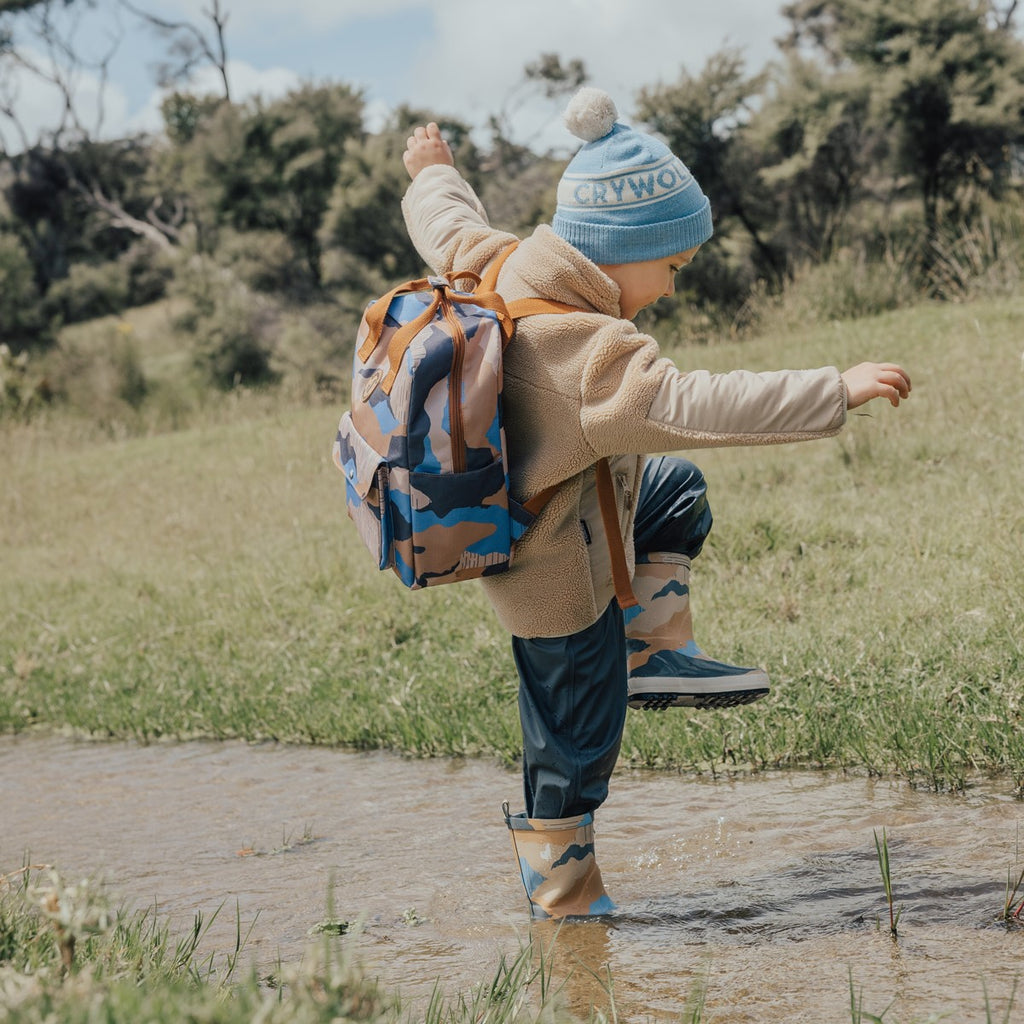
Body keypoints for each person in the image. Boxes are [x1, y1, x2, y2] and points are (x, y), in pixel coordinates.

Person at [400, 87, 911, 920]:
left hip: (587, 517)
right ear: (617, 251)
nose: (672, 289)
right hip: (555, 580)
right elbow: (701, 405)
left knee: (674, 489)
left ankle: (648, 650)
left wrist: (433, 174)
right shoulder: (588, 355)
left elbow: (448, 229)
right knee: (574, 742)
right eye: (671, 268)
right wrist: (834, 389)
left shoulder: (508, 263)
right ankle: (564, 900)